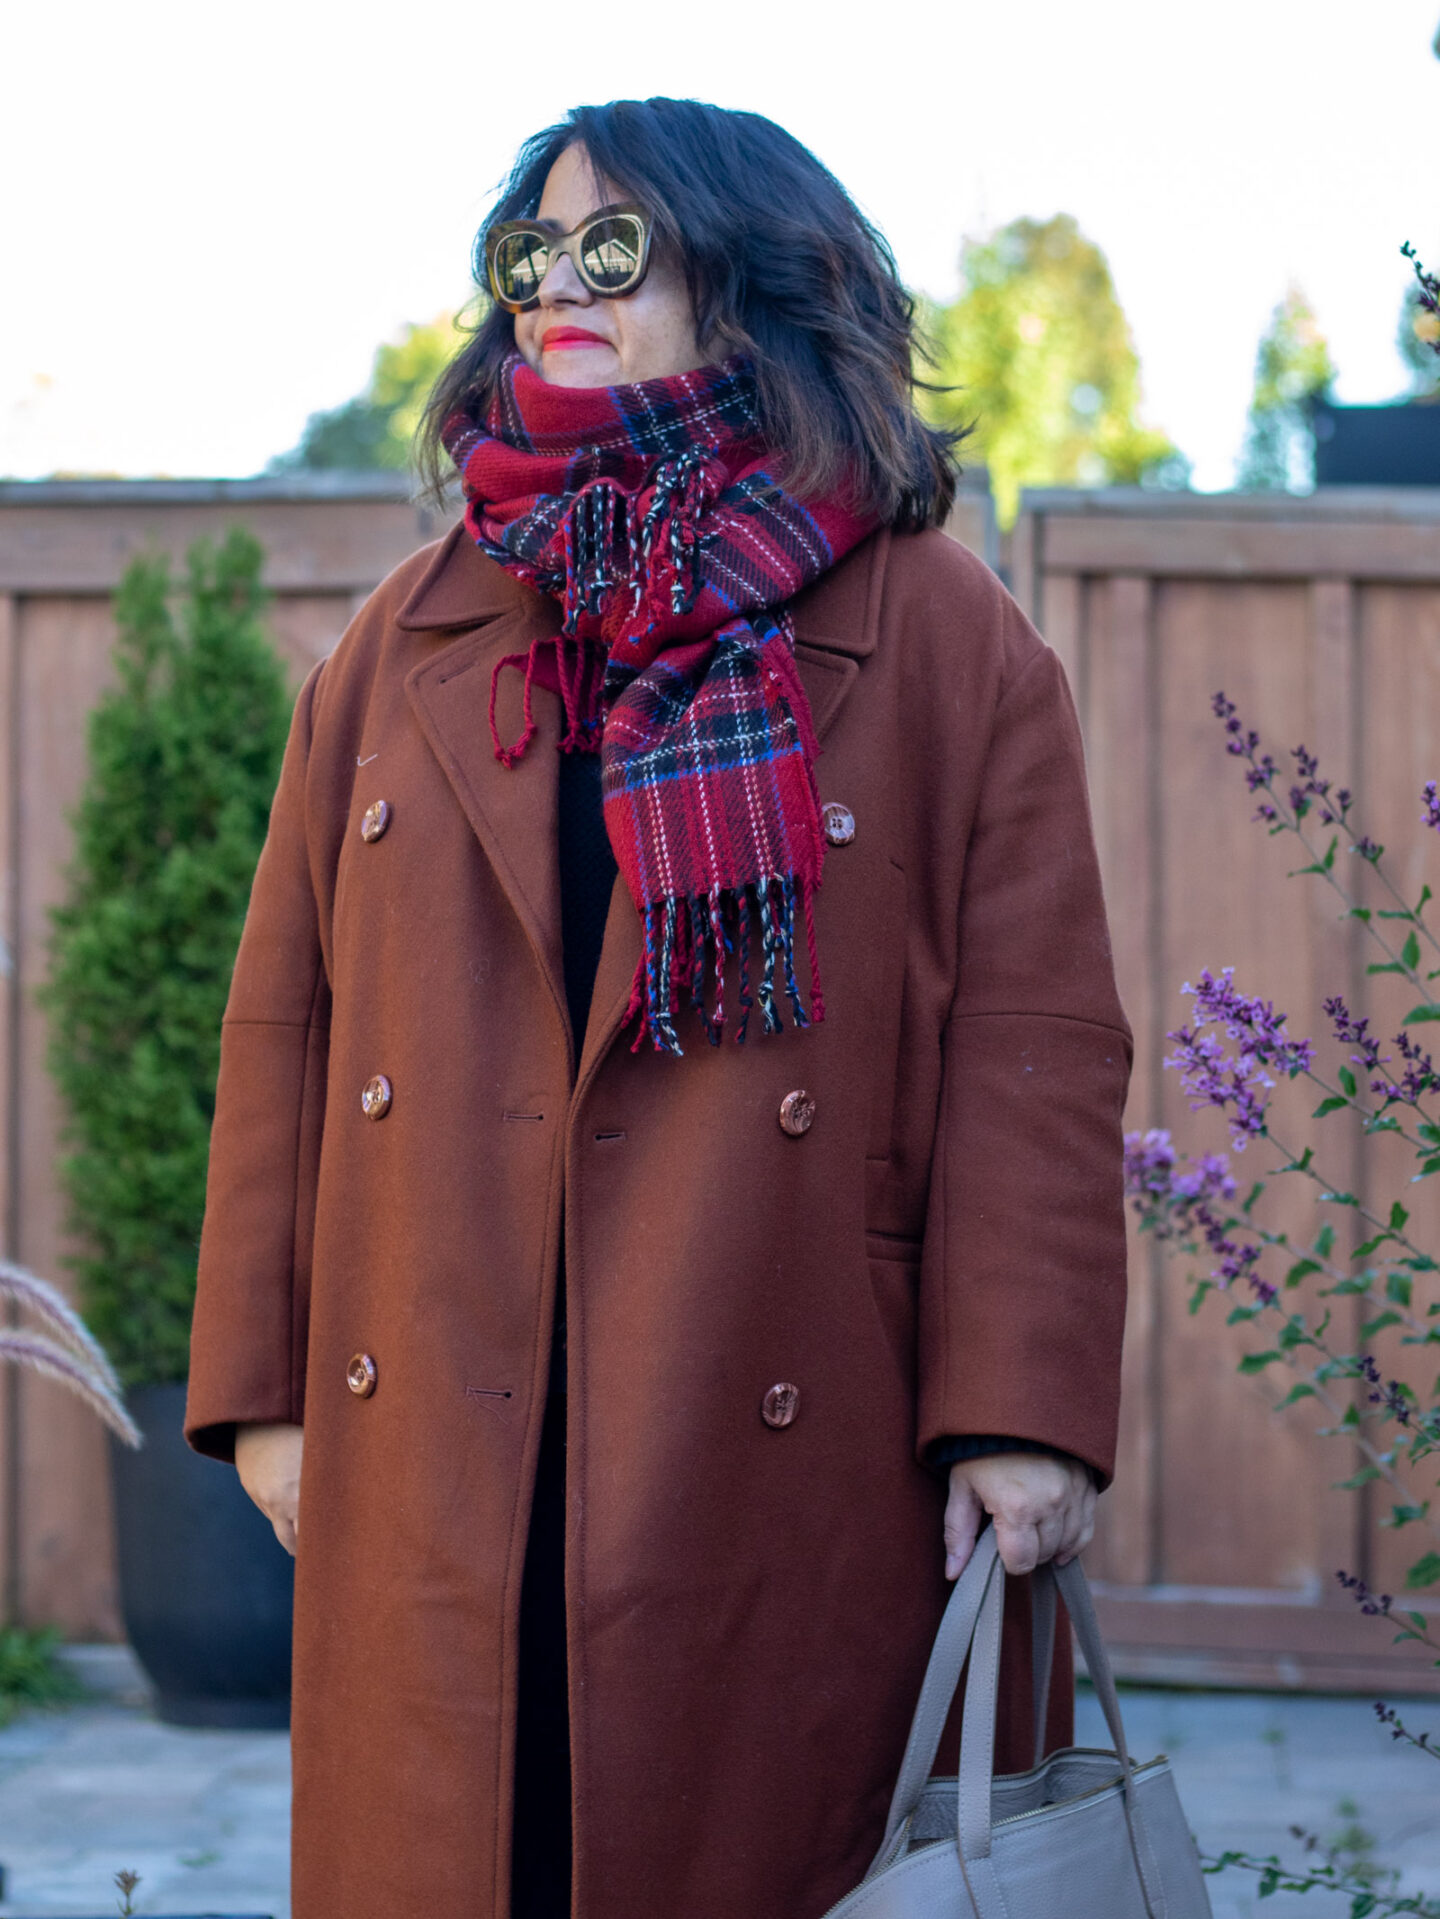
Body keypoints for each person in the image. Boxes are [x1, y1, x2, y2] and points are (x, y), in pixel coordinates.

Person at [185, 96, 1132, 1919]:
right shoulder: (402, 636)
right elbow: (283, 1027)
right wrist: (264, 1395)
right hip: (445, 1417)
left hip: (783, 1417)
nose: (557, 284)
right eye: (526, 254)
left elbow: (1038, 1046)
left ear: (759, 277)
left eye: (611, 248)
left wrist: (1023, 1404)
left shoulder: (943, 634)